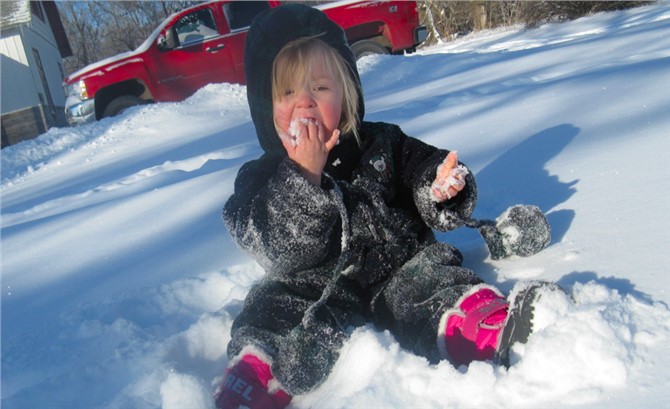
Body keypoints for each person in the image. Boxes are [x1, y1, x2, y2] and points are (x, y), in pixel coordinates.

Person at [215, 5, 559, 409]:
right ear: (264, 108)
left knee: (430, 278)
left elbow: (422, 167)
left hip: (396, 265)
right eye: (287, 93)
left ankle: (476, 326)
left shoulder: (381, 141)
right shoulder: (260, 176)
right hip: (312, 286)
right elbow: (273, 246)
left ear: (346, 95)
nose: (304, 105)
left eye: (321, 89)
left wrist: (440, 187)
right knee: (270, 305)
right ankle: (259, 371)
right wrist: (303, 177)